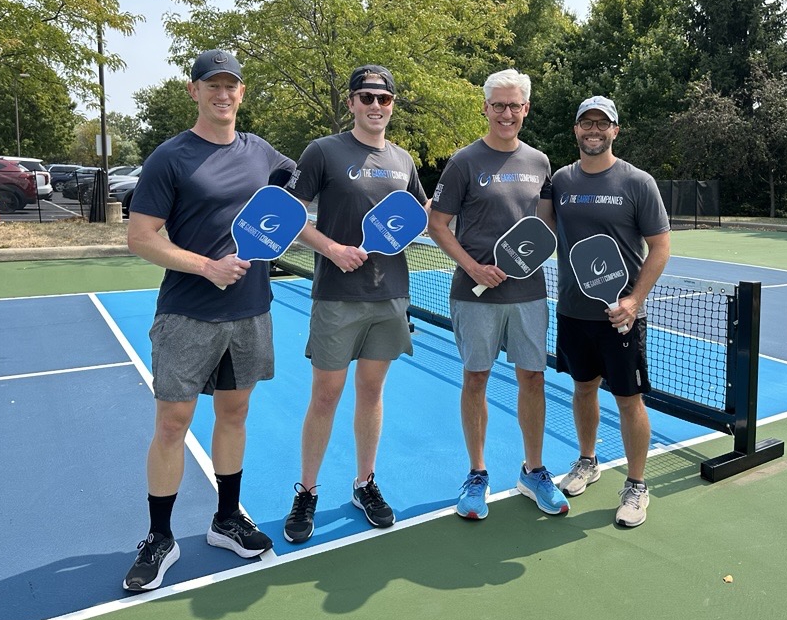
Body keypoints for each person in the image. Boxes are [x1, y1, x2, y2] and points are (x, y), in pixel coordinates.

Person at [122, 49, 296, 591]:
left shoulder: (261, 152)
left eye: (232, 85)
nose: (223, 94)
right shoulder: (170, 158)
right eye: (212, 84)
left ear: (242, 93)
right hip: (187, 313)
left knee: (235, 415)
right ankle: (159, 538)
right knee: (172, 424)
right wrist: (206, 266)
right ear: (194, 91)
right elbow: (141, 237)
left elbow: (299, 191)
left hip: (251, 313)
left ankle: (226, 519)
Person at [282, 65, 428, 543]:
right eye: (366, 97)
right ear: (351, 103)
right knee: (325, 395)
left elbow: (419, 216)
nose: (375, 106)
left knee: (371, 392)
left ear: (392, 105)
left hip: (390, 296)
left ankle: (365, 484)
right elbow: (289, 214)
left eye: (384, 99)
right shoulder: (323, 151)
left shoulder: (404, 160)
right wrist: (332, 249)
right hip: (337, 297)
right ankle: (306, 492)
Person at [427, 68, 569, 520]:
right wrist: (473, 268)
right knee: (477, 379)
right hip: (474, 296)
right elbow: (437, 225)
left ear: (526, 109)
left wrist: (527, 259)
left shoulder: (541, 162)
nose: (506, 113)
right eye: (499, 105)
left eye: (515, 105)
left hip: (528, 295)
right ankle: (477, 474)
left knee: (534, 378)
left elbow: (543, 227)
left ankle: (534, 470)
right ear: (485, 108)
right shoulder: (463, 162)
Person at [548, 95, 670, 527]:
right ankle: (588, 461)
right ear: (576, 130)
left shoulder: (638, 183)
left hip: (621, 317)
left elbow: (660, 246)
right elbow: (539, 229)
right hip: (573, 312)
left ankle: (636, 486)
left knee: (629, 400)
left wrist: (634, 301)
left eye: (603, 123)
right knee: (582, 389)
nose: (594, 130)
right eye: (586, 123)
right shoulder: (560, 180)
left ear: (615, 130)